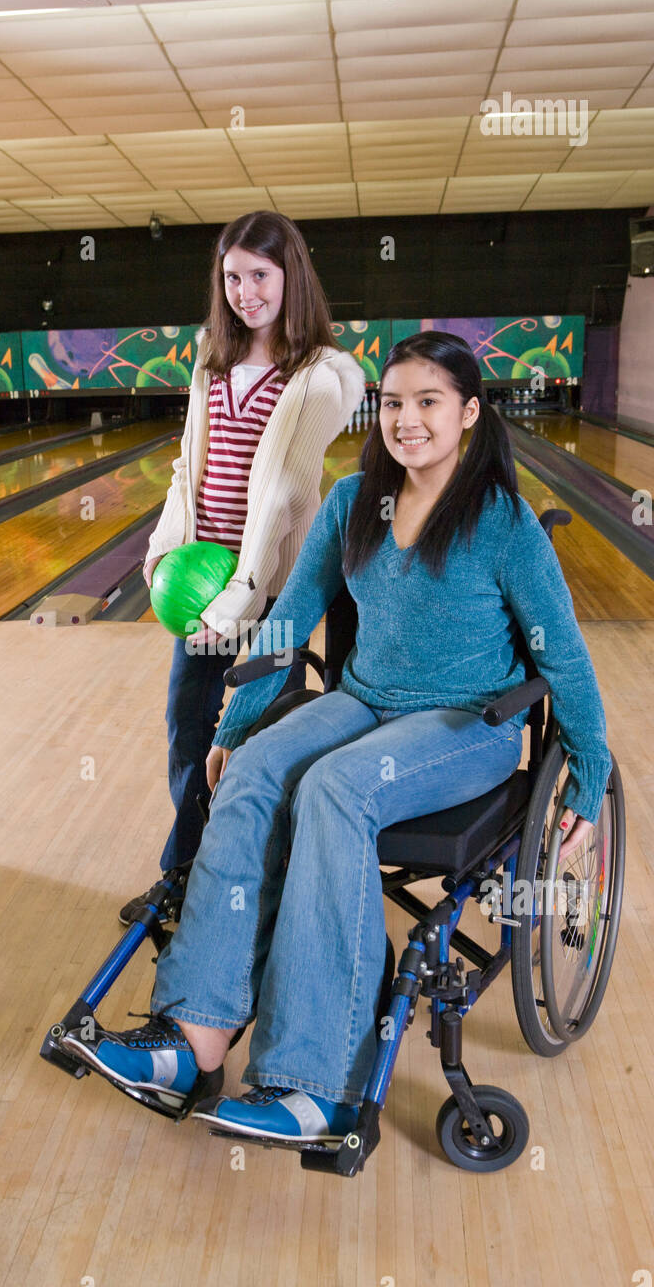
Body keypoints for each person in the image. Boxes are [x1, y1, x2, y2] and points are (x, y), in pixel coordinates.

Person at [86, 330, 611, 1147]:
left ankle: (315, 1080)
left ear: (469, 413)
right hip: (366, 700)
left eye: (428, 401)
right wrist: (236, 724)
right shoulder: (352, 502)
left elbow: (562, 654)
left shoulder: (503, 523)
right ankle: (195, 1040)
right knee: (257, 770)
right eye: (394, 401)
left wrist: (590, 761)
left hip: (469, 722)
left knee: (334, 788)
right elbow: (291, 620)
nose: (406, 419)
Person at [119, 211, 365, 924]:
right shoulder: (211, 355)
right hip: (202, 588)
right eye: (232, 276)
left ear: (292, 275)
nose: (245, 291)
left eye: (260, 274)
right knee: (188, 730)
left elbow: (285, 494)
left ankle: (253, 885)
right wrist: (164, 548)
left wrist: (244, 593)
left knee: (256, 747)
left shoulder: (323, 375)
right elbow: (188, 464)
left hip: (274, 593)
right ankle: (188, 873)